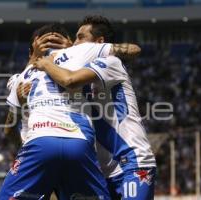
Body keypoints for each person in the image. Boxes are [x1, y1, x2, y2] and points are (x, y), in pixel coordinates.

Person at [33, 15, 156, 200]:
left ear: (99, 43)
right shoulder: (74, 68)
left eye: (80, 37)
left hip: (132, 161)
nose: (75, 43)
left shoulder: (110, 63)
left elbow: (69, 80)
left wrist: (46, 63)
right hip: (100, 171)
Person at [0, 23, 116, 200]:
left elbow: (8, 129)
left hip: (38, 148)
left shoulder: (20, 79)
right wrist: (73, 50)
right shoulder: (82, 67)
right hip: (79, 143)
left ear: (32, 52)